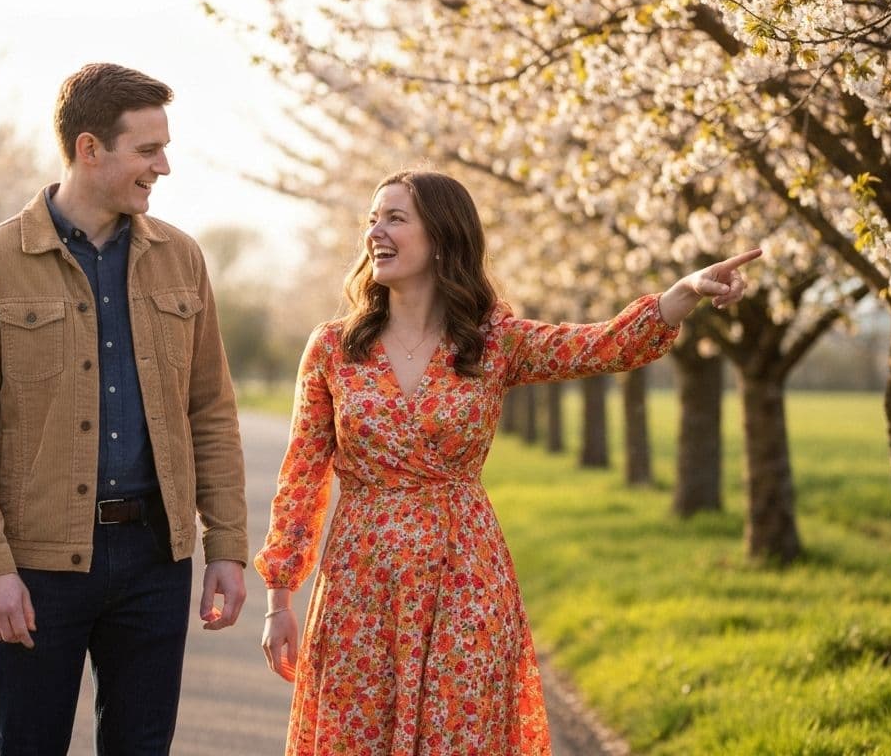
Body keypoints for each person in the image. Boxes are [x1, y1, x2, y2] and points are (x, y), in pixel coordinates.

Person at [256, 169, 758, 755]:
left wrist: (685, 292)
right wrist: (278, 600)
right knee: (356, 735)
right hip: (361, 582)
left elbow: (601, 345)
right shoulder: (334, 348)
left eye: (395, 218)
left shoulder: (493, 342)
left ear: (443, 237)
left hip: (466, 574)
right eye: (372, 219)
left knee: (460, 736)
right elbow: (301, 476)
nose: (375, 233)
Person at [0, 62, 248, 755]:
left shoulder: (183, 259)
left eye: (164, 148)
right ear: (89, 149)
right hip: (40, 564)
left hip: (154, 560)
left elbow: (211, 413)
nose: (163, 166)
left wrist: (226, 547)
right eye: (148, 150)